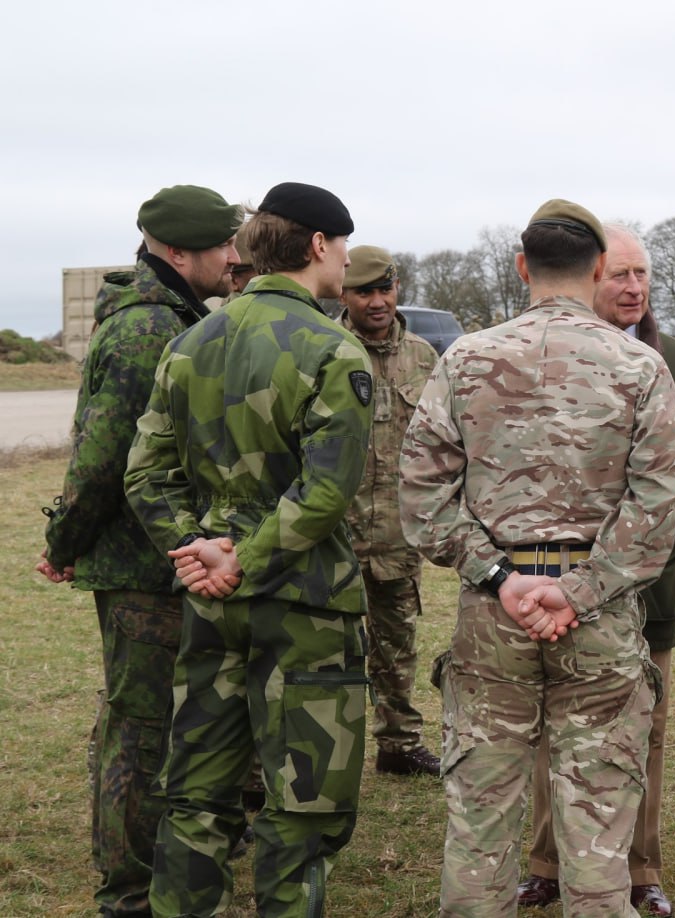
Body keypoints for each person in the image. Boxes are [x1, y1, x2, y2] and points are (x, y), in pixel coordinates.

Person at [400, 199, 675, 917]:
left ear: (523, 266)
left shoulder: (465, 359)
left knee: (481, 818)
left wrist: (499, 578)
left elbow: (422, 496)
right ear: (596, 270)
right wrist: (582, 590)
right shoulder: (640, 366)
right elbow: (656, 507)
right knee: (597, 822)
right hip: (598, 619)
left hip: (494, 616)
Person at [124, 181, 373, 917]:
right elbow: (327, 492)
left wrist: (195, 552)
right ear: (320, 245)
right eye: (345, 247)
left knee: (196, 796)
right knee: (303, 807)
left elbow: (145, 472)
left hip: (211, 607)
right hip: (305, 609)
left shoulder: (190, 341)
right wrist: (243, 560)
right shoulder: (331, 346)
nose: (348, 262)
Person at [37, 184, 241, 917]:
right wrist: (65, 541)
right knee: (139, 730)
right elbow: (101, 456)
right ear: (178, 251)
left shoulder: (177, 316)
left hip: (167, 563)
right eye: (223, 244)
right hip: (141, 569)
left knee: (160, 722)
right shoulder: (147, 330)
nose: (234, 255)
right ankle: (129, 893)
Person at [516, 224, 675, 916]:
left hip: (648, 584)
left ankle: (642, 870)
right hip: (551, 582)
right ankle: (548, 862)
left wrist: (668, 487)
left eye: (642, 275)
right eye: (620, 275)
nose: (633, 288)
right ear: (589, 276)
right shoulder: (537, 356)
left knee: (647, 729)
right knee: (553, 726)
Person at [337, 244, 442, 777]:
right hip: (334, 534)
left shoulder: (424, 357)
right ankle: (331, 752)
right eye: (364, 292)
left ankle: (399, 745)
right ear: (343, 294)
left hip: (399, 534)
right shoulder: (327, 350)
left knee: (397, 646)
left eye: (385, 289)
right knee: (332, 652)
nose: (377, 302)